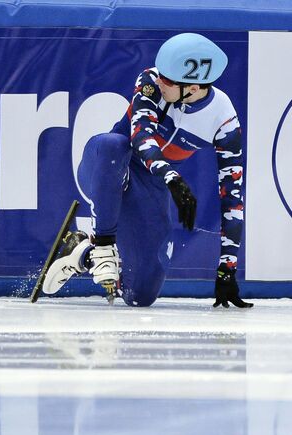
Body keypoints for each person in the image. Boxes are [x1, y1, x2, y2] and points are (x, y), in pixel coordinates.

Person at [43, 32, 252, 308]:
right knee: (113, 144)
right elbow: (141, 138)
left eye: (168, 79)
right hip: (107, 168)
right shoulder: (150, 81)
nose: (159, 79)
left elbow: (233, 199)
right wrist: (172, 177)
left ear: (192, 87)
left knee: (140, 295)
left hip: (148, 189)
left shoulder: (223, 120)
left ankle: (82, 253)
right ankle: (103, 245)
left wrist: (227, 269)